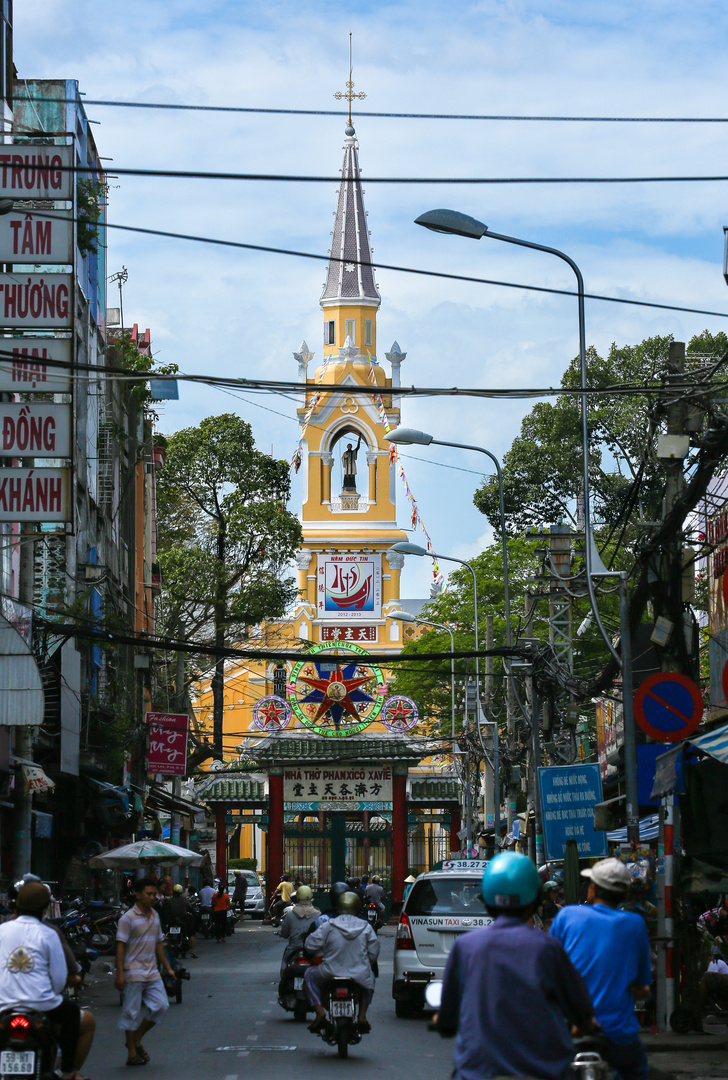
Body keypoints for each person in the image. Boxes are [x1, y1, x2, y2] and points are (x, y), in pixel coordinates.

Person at [436, 852, 596, 1080]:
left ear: (488, 900)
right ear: (533, 899)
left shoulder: (465, 947)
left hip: (478, 1073)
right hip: (544, 1072)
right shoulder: (547, 948)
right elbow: (581, 1010)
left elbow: (447, 1020)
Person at [550, 857, 651, 1080]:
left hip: (568, 1030)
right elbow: (643, 986)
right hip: (616, 1033)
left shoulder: (567, 915)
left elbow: (549, 969)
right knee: (639, 1072)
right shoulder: (635, 924)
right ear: (624, 894)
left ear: (593, 888)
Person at [0, 882, 95, 1080]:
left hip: (3, 1007)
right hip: (42, 1007)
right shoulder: (49, 933)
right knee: (80, 1019)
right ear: (45, 908)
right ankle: (68, 1072)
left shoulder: (2, 930)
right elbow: (59, 981)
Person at [116, 877, 177, 1066]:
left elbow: (159, 943)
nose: (153, 897)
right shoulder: (128, 918)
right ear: (138, 895)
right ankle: (132, 1053)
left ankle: (136, 1038)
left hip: (152, 972)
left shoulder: (155, 916)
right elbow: (120, 946)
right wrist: (119, 973)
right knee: (131, 1012)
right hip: (133, 971)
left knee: (161, 1006)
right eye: (149, 894)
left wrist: (167, 968)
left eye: (154, 894)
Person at [304, 890, 379, 1034]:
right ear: (357, 908)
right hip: (359, 972)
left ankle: (320, 1012)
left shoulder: (329, 925)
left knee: (308, 975)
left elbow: (310, 944)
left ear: (338, 907)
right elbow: (374, 952)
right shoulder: (365, 926)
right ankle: (362, 1016)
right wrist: (365, 963)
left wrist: (320, 952)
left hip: (329, 970)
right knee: (370, 977)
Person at [279, 885, 320, 994]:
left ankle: (282, 989)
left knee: (284, 964)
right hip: (312, 950)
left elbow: (284, 933)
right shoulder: (318, 915)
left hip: (293, 949)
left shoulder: (291, 915)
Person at [165, 883, 197, 958]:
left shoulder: (170, 900)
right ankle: (193, 950)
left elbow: (166, 911)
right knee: (191, 933)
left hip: (172, 920)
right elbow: (190, 908)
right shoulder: (184, 900)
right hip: (182, 919)